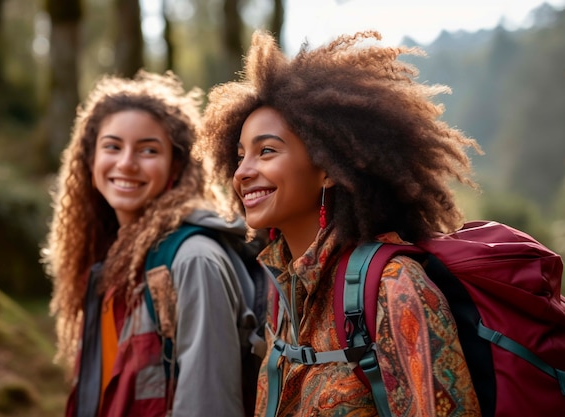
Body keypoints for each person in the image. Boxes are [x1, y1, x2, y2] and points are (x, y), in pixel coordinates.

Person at [199, 30, 483, 416]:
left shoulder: (394, 286)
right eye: (240, 156)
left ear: (328, 170)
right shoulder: (280, 288)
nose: (243, 172)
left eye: (266, 151)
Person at [42, 70, 252, 417]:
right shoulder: (111, 261)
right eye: (112, 146)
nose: (126, 163)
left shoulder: (192, 258)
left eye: (148, 150)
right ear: (90, 160)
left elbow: (208, 404)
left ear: (176, 166)